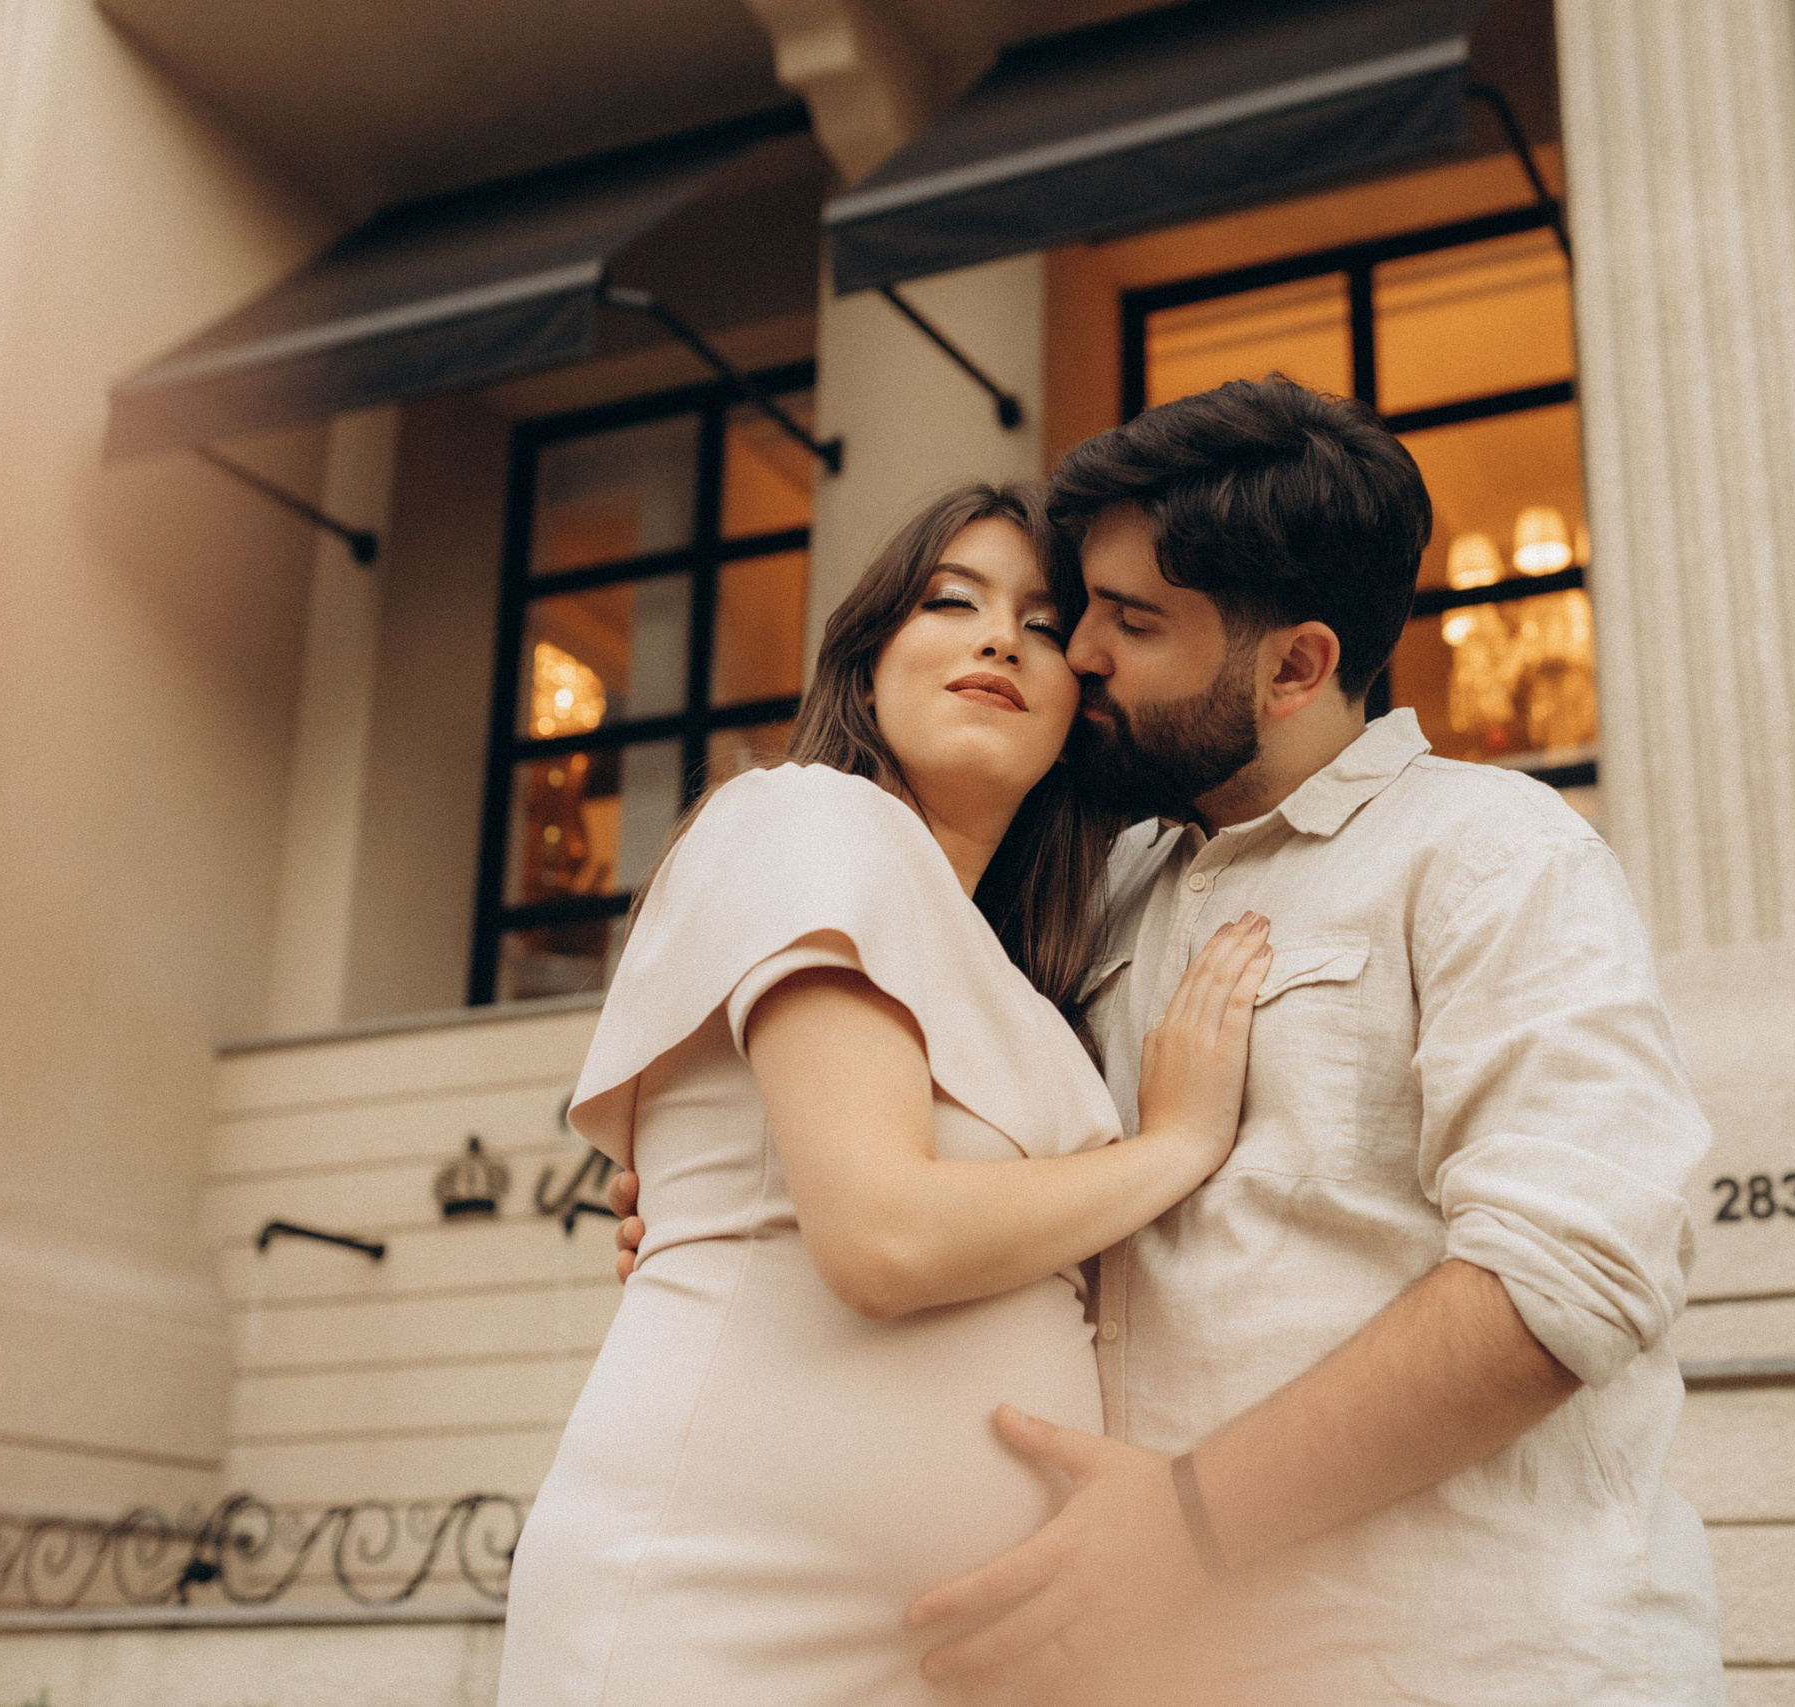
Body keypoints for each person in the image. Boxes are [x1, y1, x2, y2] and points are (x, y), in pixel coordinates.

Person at [612, 378, 1727, 1704]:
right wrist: (739, 1187)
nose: (1077, 651)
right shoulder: (1096, 889)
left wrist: (1189, 1516)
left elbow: (1568, 1280)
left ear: (1297, 664)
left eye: (1128, 622)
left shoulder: (1492, 853)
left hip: (1460, 1659)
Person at [497, 482, 1274, 1707]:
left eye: (1038, 619)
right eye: (948, 601)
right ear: (866, 666)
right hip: (725, 1610)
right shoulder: (809, 814)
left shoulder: (1021, 982)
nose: (998, 637)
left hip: (956, 1654)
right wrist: (1174, 1145)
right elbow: (883, 1239)